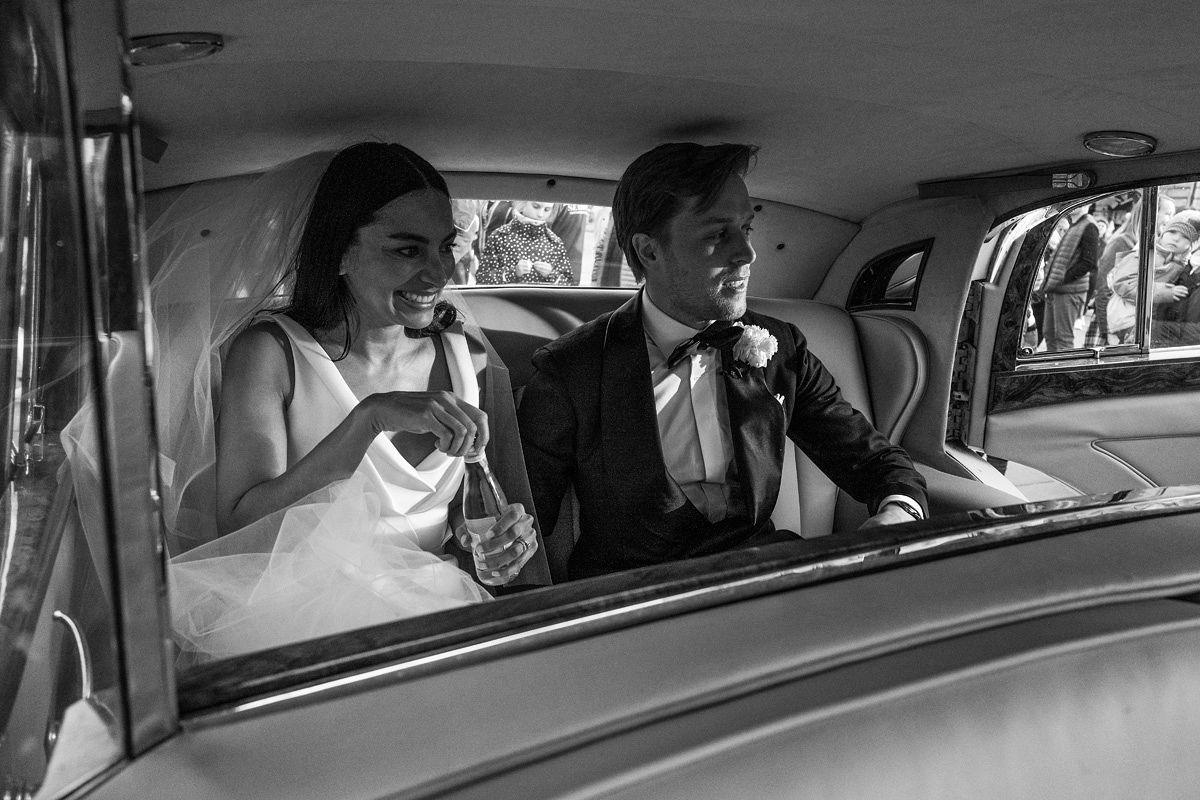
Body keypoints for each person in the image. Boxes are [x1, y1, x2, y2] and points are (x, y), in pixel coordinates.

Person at [157, 143, 549, 662]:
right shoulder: (272, 352)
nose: (438, 273)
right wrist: (368, 419)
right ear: (341, 251)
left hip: (436, 607)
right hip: (299, 616)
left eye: (445, 247)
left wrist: (490, 542)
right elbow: (242, 529)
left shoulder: (467, 357)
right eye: (407, 251)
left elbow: (459, 509)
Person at [517, 142, 928, 580]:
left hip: (767, 580)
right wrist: (505, 545)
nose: (747, 254)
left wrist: (897, 514)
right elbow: (521, 520)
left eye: (746, 229)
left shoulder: (781, 348)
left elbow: (873, 461)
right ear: (649, 251)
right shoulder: (570, 371)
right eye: (717, 235)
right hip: (632, 598)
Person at [1107, 211, 1199, 344]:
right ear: (1162, 233)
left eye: (1185, 237)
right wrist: (1165, 292)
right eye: (1172, 232)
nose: (1176, 239)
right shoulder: (1142, 254)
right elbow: (1124, 284)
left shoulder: (1181, 265)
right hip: (1126, 319)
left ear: (1191, 245)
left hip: (1144, 319)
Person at [1037, 204, 1100, 352]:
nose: (1075, 203)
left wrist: (1061, 279)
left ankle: (1061, 367)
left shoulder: (1089, 226)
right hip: (1058, 290)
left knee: (1063, 339)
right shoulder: (1076, 225)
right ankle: (1053, 366)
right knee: (1050, 334)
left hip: (1069, 291)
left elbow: (1089, 262)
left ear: (1088, 204)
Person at [476, 200, 575, 284]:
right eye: (536, 206)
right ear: (522, 204)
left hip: (541, 300)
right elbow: (482, 279)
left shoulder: (554, 242)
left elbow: (568, 284)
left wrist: (551, 274)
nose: (540, 214)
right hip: (505, 300)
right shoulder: (500, 236)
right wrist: (513, 273)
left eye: (547, 210)